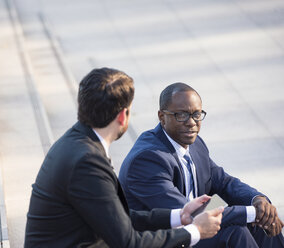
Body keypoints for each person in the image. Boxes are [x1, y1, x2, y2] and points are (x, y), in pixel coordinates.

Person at [24, 69, 224, 248]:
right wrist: (195, 231)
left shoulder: (76, 140)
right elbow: (128, 242)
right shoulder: (87, 162)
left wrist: (179, 216)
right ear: (123, 116)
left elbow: (115, 216)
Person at [119, 82, 284, 247]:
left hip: (193, 230)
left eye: (197, 114)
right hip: (166, 239)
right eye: (181, 115)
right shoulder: (147, 160)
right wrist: (251, 212)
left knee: (261, 224)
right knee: (235, 231)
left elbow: (224, 183)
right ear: (162, 117)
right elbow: (188, 214)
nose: (191, 122)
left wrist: (257, 201)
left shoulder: (194, 143)